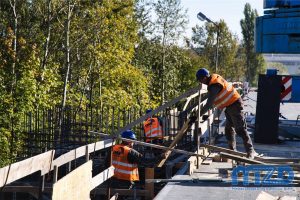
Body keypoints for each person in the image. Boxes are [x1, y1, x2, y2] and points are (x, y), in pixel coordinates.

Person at [196, 68, 256, 159]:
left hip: (235, 104)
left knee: (240, 129)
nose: (201, 82)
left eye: (200, 80)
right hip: (229, 106)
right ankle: (232, 151)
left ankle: (250, 151)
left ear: (204, 78)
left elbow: (209, 103)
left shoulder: (214, 85)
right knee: (228, 130)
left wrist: (196, 116)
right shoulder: (213, 80)